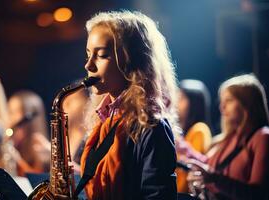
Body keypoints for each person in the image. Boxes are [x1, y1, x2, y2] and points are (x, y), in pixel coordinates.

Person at [79, 10, 179, 199]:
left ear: (130, 62)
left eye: (101, 55)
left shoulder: (152, 127)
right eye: (88, 54)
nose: (88, 65)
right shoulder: (105, 119)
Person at [187, 74, 269, 200]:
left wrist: (214, 179)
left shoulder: (262, 136)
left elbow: (258, 194)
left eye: (229, 100)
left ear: (247, 103)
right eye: (222, 101)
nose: (222, 107)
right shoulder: (220, 141)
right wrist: (197, 181)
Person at [176, 79, 212, 193]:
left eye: (181, 98)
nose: (175, 102)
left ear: (194, 103)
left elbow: (192, 167)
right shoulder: (185, 132)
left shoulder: (200, 129)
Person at [6, 90, 50, 176]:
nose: (10, 117)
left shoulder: (37, 142)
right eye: (9, 111)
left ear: (30, 115)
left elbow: (36, 178)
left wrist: (17, 159)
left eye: (15, 112)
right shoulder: (13, 138)